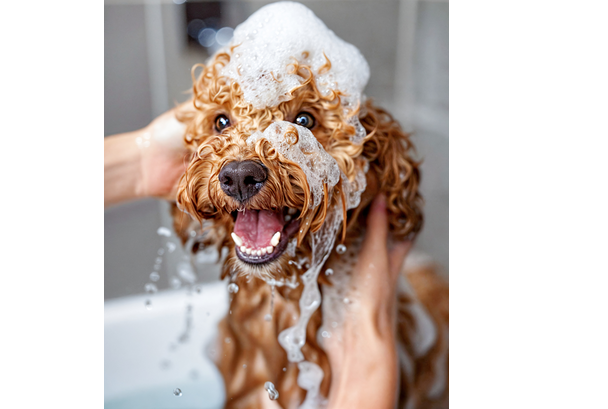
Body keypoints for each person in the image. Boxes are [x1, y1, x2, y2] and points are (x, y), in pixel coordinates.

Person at [104, 105, 411, 408]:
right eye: (223, 122)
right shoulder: (235, 336)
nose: (240, 168)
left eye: (304, 121)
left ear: (373, 156)